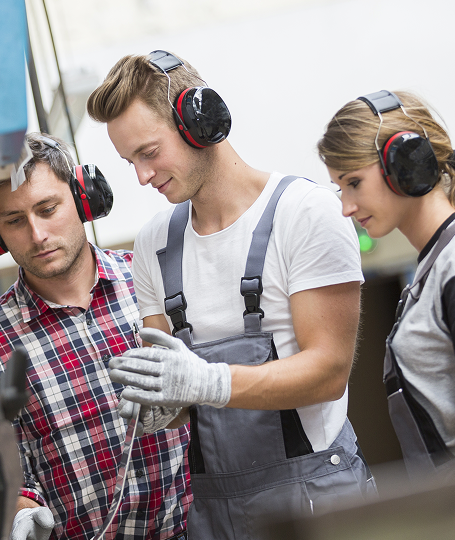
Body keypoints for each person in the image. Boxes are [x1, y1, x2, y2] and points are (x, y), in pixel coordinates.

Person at [87, 51, 375, 538]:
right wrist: (160, 404)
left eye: (149, 152)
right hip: (215, 513)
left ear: (199, 121)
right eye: (129, 161)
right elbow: (177, 393)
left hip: (316, 501)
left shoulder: (305, 214)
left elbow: (328, 371)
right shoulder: (154, 244)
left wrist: (209, 383)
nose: (141, 176)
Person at [0, 132, 192, 540]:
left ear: (83, 197)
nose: (37, 234)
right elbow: (8, 469)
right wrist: (19, 511)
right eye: (14, 220)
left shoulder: (152, 281)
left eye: (47, 209)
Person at [317, 90, 455, 477]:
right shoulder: (441, 262)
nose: (346, 207)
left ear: (405, 160)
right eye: (340, 188)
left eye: (354, 182)